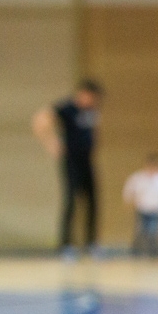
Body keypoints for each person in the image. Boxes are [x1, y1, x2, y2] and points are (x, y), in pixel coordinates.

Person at [33, 78, 103, 258]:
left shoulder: (91, 110)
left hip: (87, 160)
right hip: (71, 161)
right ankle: (66, 245)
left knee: (93, 201)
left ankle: (91, 244)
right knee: (71, 200)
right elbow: (40, 119)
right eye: (92, 96)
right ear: (83, 93)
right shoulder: (67, 108)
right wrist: (51, 143)